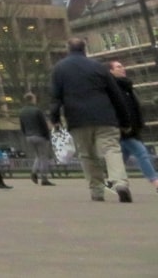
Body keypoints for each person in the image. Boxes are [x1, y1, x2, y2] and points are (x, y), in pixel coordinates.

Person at [50, 37, 132, 202]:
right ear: (84, 48)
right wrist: (124, 121)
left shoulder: (59, 69)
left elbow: (55, 96)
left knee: (87, 154)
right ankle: (120, 182)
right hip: (104, 116)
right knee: (111, 149)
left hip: (77, 117)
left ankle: (97, 190)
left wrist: (55, 117)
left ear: (68, 49)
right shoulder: (98, 67)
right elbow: (116, 95)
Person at [109, 60, 158, 193]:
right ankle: (155, 181)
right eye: (118, 67)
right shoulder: (113, 89)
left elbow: (134, 107)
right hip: (123, 129)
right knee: (142, 153)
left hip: (133, 128)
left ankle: (110, 181)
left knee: (121, 158)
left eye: (122, 66)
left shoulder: (127, 87)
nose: (122, 68)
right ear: (111, 71)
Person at [18, 92, 54, 186]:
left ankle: (34, 172)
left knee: (38, 156)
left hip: (29, 136)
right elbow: (43, 125)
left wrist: (26, 134)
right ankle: (44, 178)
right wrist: (47, 136)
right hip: (40, 136)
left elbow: (22, 126)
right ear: (32, 99)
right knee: (44, 157)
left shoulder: (22, 111)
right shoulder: (37, 111)